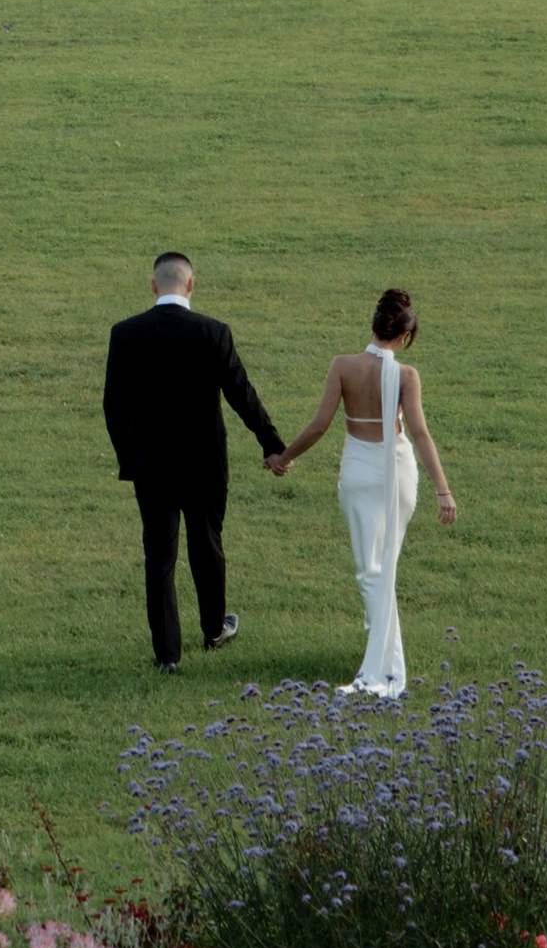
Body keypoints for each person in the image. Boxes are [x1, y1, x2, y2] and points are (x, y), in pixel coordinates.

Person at [268, 287, 457, 699]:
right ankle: (382, 656)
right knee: (382, 568)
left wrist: (284, 457)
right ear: (404, 337)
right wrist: (443, 490)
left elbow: (319, 425)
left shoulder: (342, 366)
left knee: (371, 570)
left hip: (359, 471)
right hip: (398, 472)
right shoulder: (407, 375)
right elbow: (421, 433)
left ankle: (385, 668)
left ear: (372, 326)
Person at [103, 250, 286, 673]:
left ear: (153, 286)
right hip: (205, 463)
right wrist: (271, 445)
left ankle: (167, 655)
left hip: (151, 466)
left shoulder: (126, 333)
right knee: (207, 544)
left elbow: (114, 405)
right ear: (191, 285)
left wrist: (131, 457)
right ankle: (213, 629)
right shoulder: (212, 332)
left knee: (159, 555)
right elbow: (242, 394)